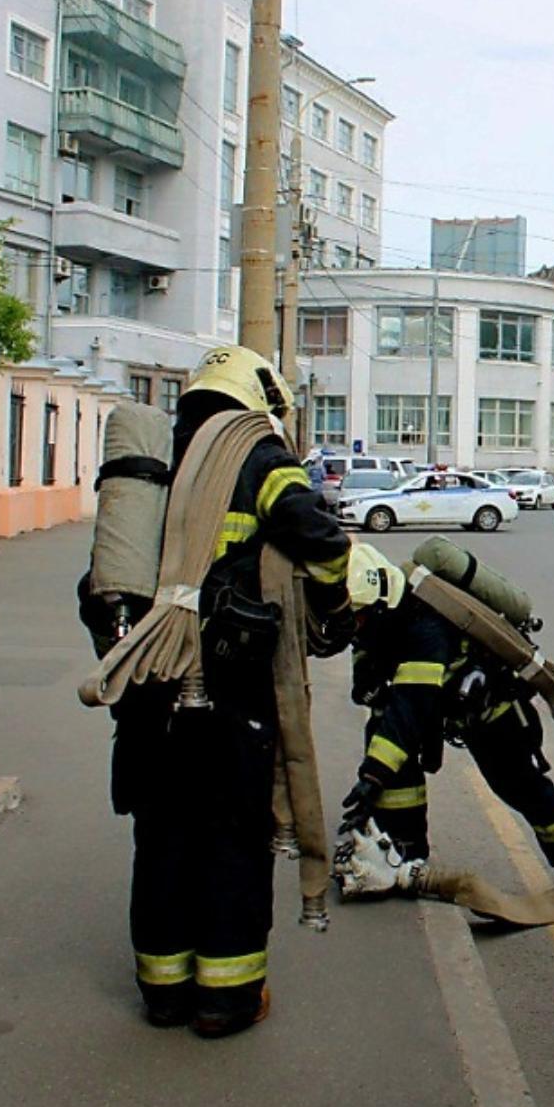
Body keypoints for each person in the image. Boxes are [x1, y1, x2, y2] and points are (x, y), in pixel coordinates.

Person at [84, 345, 353, 1039]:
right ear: (260, 395)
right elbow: (319, 535)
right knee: (233, 840)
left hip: (149, 689)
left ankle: (164, 994)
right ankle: (226, 1001)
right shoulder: (256, 453)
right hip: (231, 694)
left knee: (163, 837)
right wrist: (332, 608)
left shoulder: (153, 457)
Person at [339, 542, 554, 883]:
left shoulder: (424, 626)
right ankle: (408, 858)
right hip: (443, 706)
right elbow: (370, 686)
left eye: (358, 615)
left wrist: (371, 777)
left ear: (380, 602)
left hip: (491, 709)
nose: (353, 623)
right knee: (390, 757)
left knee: (519, 786)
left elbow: (412, 704)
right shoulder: (376, 623)